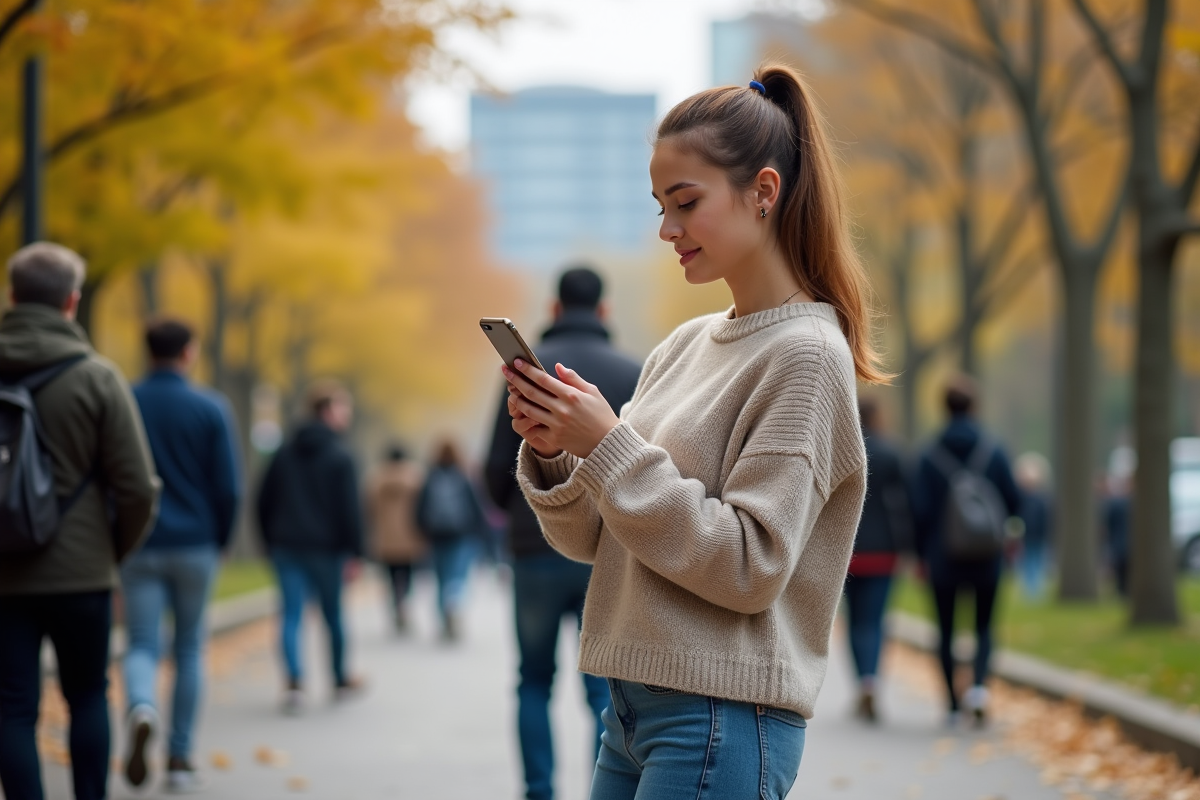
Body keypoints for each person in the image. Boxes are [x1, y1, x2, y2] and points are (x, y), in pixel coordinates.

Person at [502, 66, 883, 799]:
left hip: (720, 715)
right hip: (631, 708)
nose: (667, 229)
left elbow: (750, 567)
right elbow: (600, 541)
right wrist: (558, 452)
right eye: (659, 205)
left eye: (685, 203)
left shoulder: (805, 354)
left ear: (764, 192)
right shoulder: (682, 345)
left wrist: (611, 448)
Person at [0, 242, 160, 800]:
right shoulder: (98, 378)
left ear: (13, 296)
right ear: (72, 301)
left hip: (4, 576)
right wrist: (111, 550)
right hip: (82, 574)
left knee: (12, 707)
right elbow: (137, 486)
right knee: (88, 695)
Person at [485, 266, 642, 800]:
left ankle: (538, 791)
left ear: (554, 310)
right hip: (608, 552)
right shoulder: (633, 371)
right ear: (604, 311)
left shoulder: (523, 377)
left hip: (533, 550)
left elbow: (493, 470)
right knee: (602, 684)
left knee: (532, 680)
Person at [121, 318, 242, 792]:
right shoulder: (211, 408)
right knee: (190, 647)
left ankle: (141, 705)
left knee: (141, 643)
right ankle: (179, 757)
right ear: (189, 353)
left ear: (147, 351)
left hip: (139, 542)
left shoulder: (125, 400)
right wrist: (223, 539)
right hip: (196, 544)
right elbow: (229, 487)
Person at [912, 376, 1020, 727]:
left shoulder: (929, 454)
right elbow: (1014, 500)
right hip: (987, 556)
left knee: (945, 629)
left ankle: (952, 704)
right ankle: (978, 691)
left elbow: (919, 510)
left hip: (942, 558)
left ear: (944, 407)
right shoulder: (994, 450)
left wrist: (919, 554)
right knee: (984, 626)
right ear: (974, 407)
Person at [256, 380, 365, 713]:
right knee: (332, 615)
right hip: (327, 550)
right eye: (343, 407)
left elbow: (263, 500)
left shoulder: (284, 452)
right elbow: (350, 509)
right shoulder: (340, 455)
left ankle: (293, 682)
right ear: (328, 409)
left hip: (287, 546)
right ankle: (338, 678)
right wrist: (355, 552)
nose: (347, 415)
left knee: (290, 615)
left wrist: (269, 540)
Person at [844, 397, 912, 724]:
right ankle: (871, 679)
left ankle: (861, 683)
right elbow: (906, 504)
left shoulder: (843, 450)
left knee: (855, 621)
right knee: (875, 620)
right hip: (884, 550)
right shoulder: (891, 453)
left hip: (847, 551)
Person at [416, 439, 486, 642]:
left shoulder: (430, 476)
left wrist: (422, 529)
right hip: (461, 535)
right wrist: (480, 533)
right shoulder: (463, 477)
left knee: (440, 579)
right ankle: (454, 605)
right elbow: (475, 507)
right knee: (457, 576)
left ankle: (444, 621)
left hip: (436, 536)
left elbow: (420, 507)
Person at [366, 443, 427, 632]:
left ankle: (396, 602)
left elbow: (368, 509)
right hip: (410, 535)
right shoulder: (415, 479)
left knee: (391, 575)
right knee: (407, 574)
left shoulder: (376, 479)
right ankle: (404, 603)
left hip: (386, 538)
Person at [1014, 452, 1053, 600]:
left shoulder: (1041, 498)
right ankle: (1029, 591)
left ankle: (1035, 591)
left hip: (1038, 535)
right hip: (1027, 535)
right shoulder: (1023, 497)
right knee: (1027, 562)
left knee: (1036, 562)